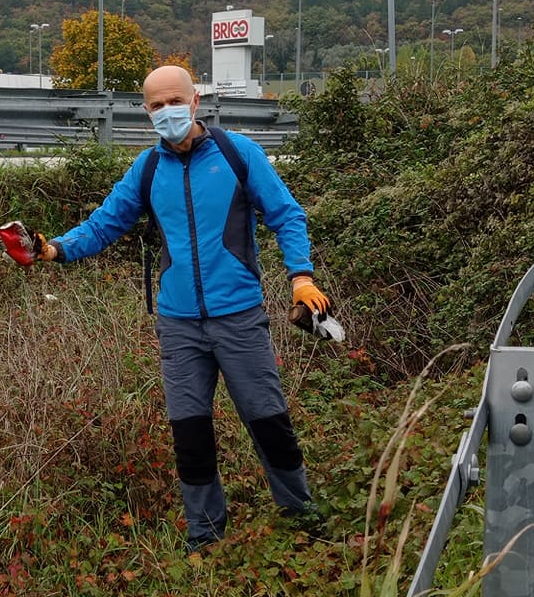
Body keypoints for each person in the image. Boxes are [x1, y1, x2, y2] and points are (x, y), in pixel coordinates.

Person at [22, 64, 333, 552]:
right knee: (190, 434)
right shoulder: (146, 169)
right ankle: (204, 538)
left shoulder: (237, 154)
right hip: (179, 323)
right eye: (156, 105)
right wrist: (54, 249)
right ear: (145, 111)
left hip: (239, 316)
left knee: (268, 421)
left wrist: (301, 276)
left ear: (196, 101)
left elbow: (286, 214)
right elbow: (104, 225)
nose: (166, 111)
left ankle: (302, 519)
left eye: (174, 101)